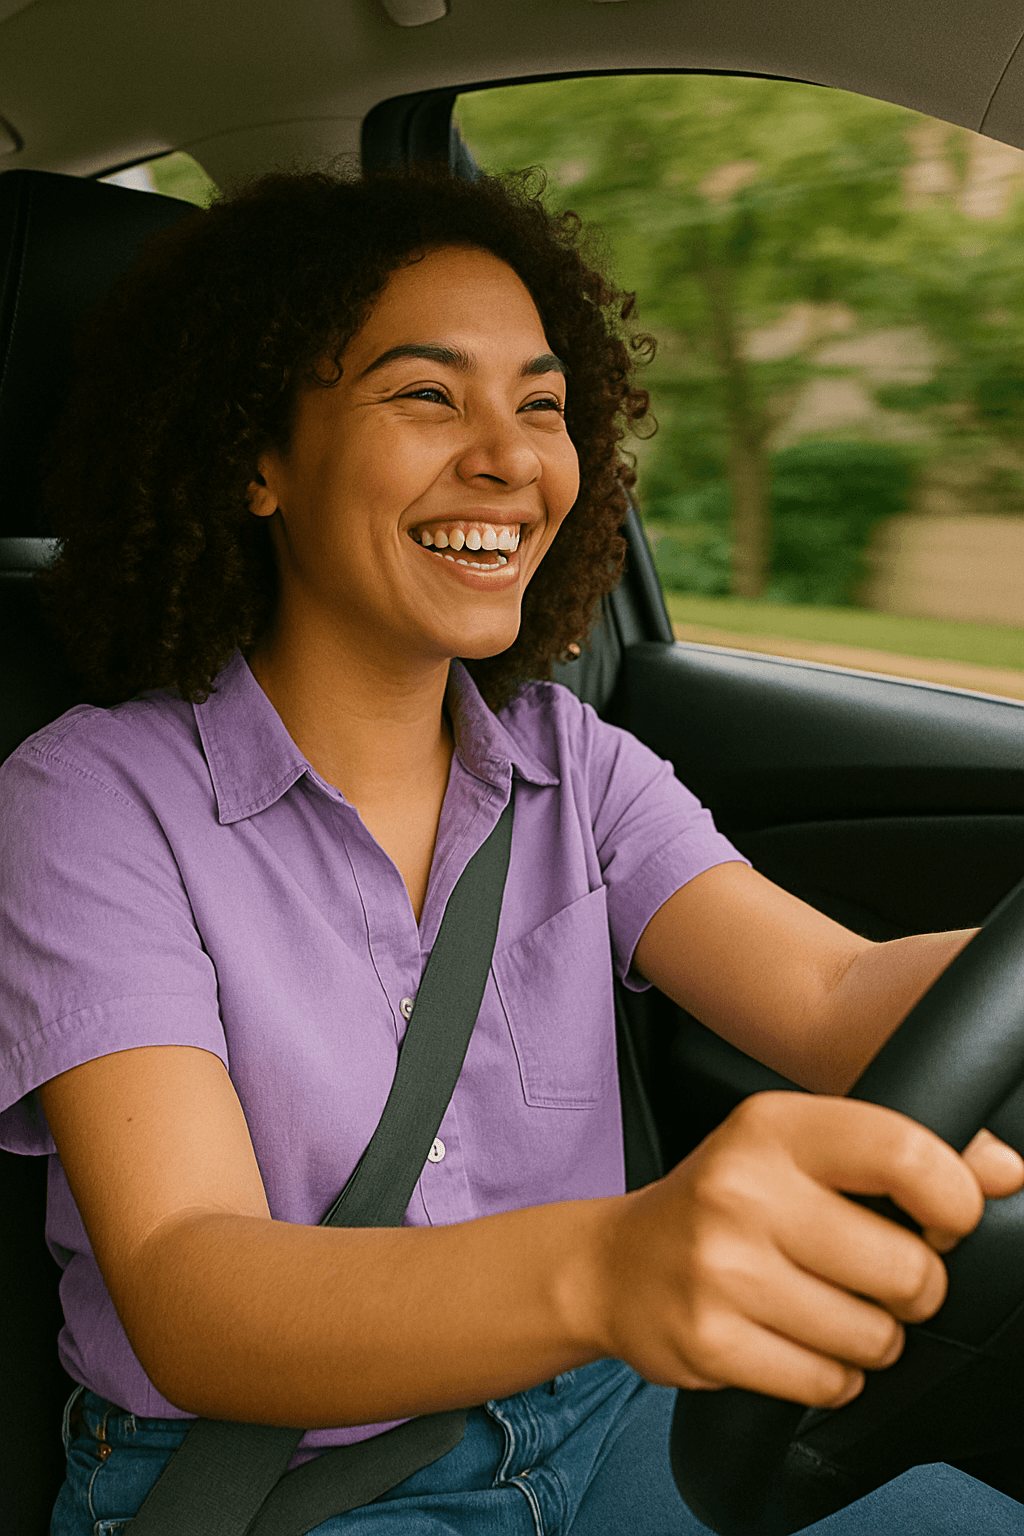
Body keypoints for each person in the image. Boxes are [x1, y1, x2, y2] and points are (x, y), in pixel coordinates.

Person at [1, 163, 1022, 1536]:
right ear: (255, 457)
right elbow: (195, 1286)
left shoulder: (571, 760)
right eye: (428, 396)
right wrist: (613, 1264)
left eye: (540, 405)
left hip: (600, 1418)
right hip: (275, 1482)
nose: (510, 457)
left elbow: (838, 1000)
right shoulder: (90, 799)